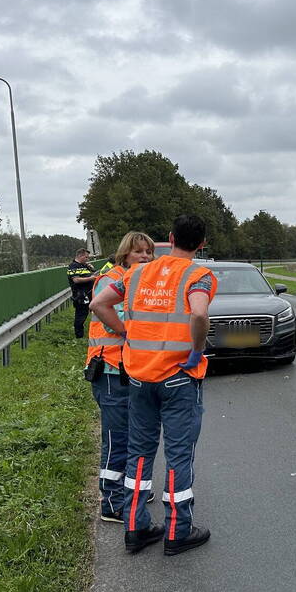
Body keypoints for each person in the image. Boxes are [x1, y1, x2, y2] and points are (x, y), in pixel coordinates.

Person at [90, 214, 216, 556]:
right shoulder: (198, 275)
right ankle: (178, 532)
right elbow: (200, 314)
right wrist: (196, 349)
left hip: (138, 376)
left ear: (171, 237)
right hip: (178, 378)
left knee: (139, 454)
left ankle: (136, 527)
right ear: (202, 243)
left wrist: (126, 332)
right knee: (178, 455)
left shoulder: (137, 273)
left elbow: (99, 304)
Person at [86, 232, 155, 522]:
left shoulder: (136, 281)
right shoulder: (110, 280)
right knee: (116, 439)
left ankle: (129, 489)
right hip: (110, 370)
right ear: (125, 254)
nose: (145, 257)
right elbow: (116, 317)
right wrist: (137, 329)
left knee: (132, 435)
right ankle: (112, 503)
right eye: (138, 252)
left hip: (127, 370)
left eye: (149, 253)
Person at [68, 248, 96, 338]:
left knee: (96, 312)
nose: (87, 259)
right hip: (80, 296)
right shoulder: (73, 266)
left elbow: (92, 274)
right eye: (86, 257)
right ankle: (79, 336)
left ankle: (94, 332)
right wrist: (91, 278)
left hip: (89, 293)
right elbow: (76, 280)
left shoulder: (84, 265)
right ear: (80, 256)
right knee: (81, 316)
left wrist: (91, 268)